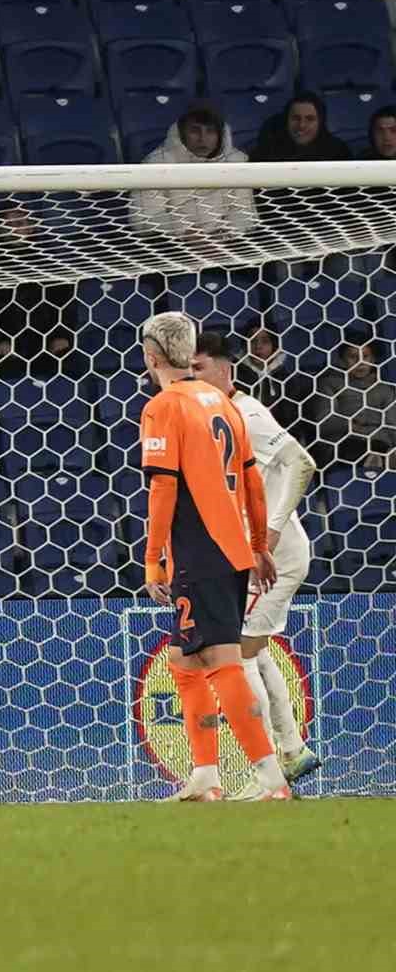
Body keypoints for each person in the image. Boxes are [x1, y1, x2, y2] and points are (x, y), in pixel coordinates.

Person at [138, 311, 290, 802]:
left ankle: (270, 777)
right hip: (232, 544)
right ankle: (205, 774)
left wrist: (153, 558)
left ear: (152, 356)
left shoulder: (164, 405)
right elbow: (250, 479)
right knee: (185, 661)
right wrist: (260, 547)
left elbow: (163, 486)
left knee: (221, 659)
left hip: (198, 548)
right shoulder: (224, 402)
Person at [190, 333, 323, 788]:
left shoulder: (247, 414)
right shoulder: (218, 415)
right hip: (260, 556)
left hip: (275, 557)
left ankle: (266, 774)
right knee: (255, 652)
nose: (193, 376)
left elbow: (301, 462)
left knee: (237, 653)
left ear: (227, 369)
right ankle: (291, 752)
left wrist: (271, 529)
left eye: (201, 367)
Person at [130, 104, 257, 239]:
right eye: (195, 131)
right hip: (173, 245)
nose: (203, 138)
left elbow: (245, 211)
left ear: (220, 135)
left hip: (227, 244)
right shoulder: (154, 164)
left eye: (210, 131)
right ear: (182, 133)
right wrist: (188, 233)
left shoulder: (238, 161)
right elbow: (144, 219)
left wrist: (224, 236)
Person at [311, 340, 396, 470]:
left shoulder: (384, 389)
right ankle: (378, 461)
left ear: (373, 360)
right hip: (344, 442)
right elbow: (324, 421)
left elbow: (392, 426)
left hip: (379, 442)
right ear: (341, 360)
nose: (360, 362)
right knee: (352, 449)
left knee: (380, 448)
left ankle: (380, 459)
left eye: (365, 356)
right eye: (352, 357)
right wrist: (350, 425)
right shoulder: (330, 383)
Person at [249, 91, 352, 162]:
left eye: (310, 119)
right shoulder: (266, 153)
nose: (301, 125)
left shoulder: (338, 153)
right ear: (286, 120)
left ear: (320, 122)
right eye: (296, 118)